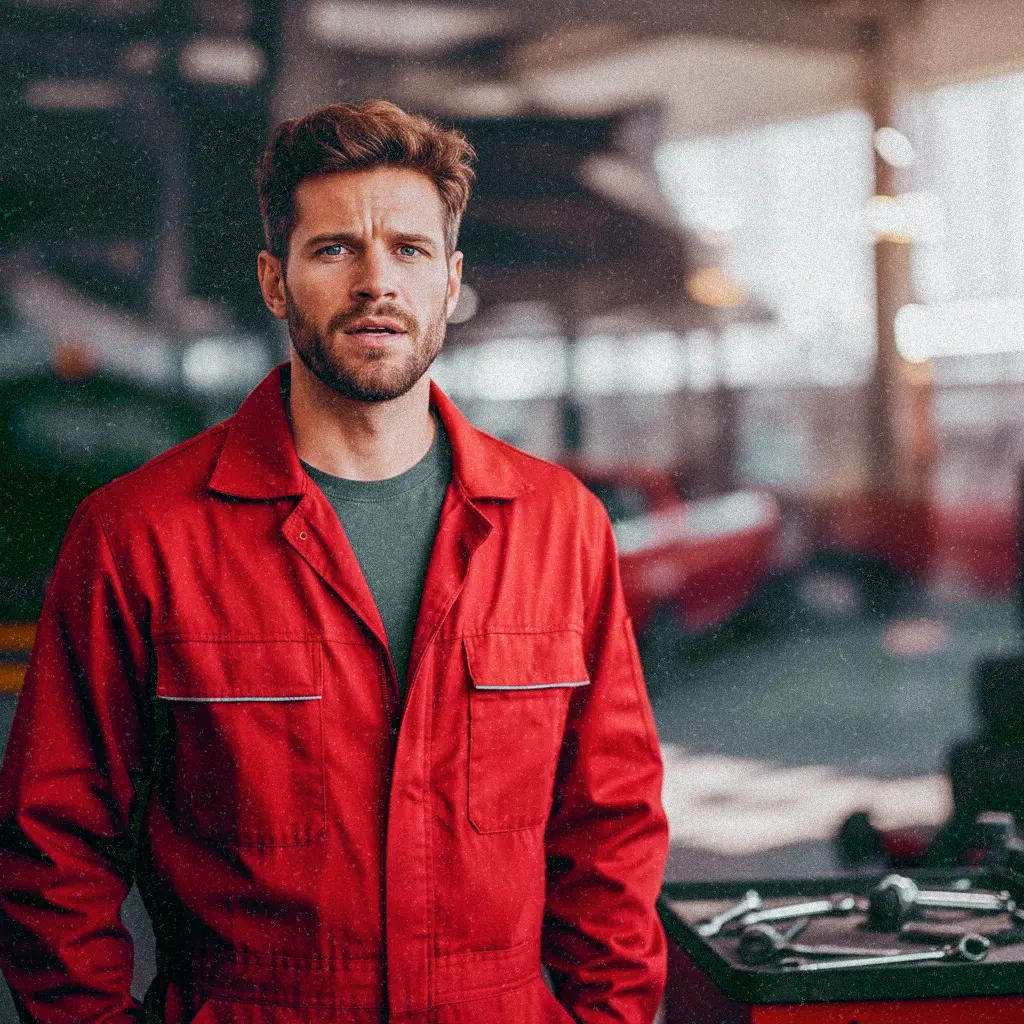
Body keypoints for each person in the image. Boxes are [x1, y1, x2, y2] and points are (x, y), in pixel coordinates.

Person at [0, 100, 668, 1024]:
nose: (375, 283)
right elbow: (53, 848)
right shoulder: (138, 537)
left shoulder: (559, 528)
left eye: (409, 249)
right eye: (333, 250)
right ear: (275, 282)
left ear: (451, 279)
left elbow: (611, 832)